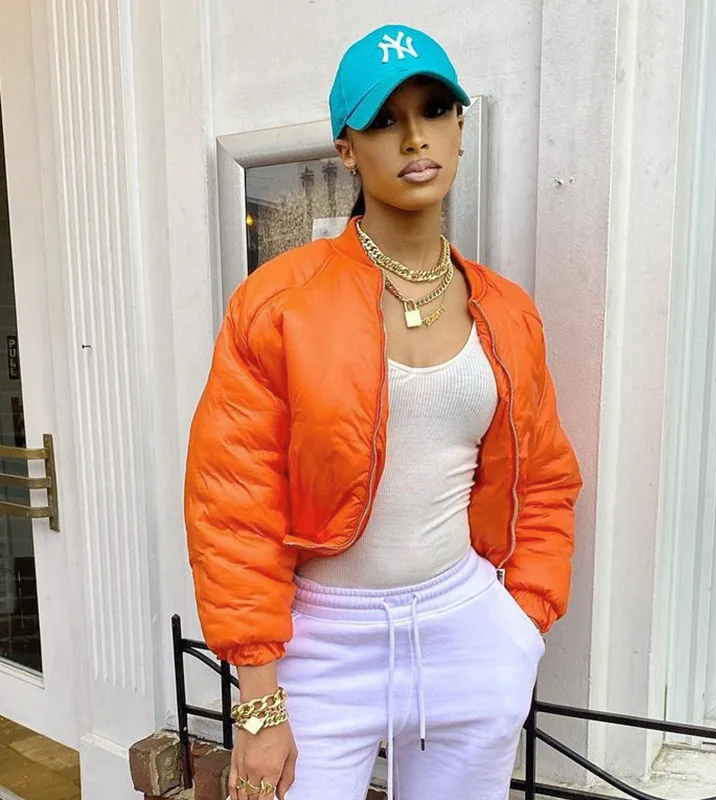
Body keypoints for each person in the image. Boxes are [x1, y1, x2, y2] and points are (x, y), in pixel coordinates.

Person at [185, 23, 582, 800]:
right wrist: (259, 701)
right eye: (383, 119)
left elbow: (544, 480)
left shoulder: (508, 313)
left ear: (460, 128)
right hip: (323, 643)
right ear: (346, 149)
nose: (414, 137)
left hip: (466, 628)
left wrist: (521, 627)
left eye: (433, 109)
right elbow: (232, 506)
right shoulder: (278, 303)